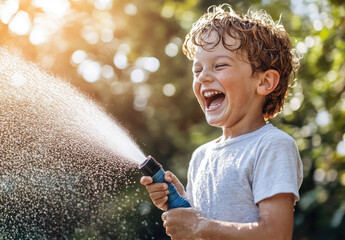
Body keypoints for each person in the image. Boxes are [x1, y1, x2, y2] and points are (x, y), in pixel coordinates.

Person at [140, 4, 303, 239]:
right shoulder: (201, 157)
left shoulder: (272, 145)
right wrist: (179, 204)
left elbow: (276, 233)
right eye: (197, 70)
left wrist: (198, 226)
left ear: (265, 82)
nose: (203, 76)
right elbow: (200, 226)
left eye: (220, 65)